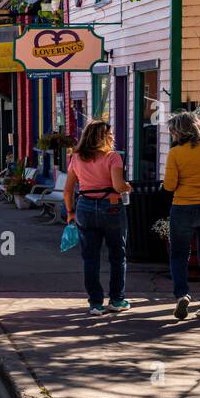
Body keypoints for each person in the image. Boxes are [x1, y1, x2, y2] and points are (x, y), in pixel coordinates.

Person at [63, 119, 133, 316]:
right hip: (110, 207)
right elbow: (119, 186)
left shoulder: (76, 158)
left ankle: (95, 303)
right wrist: (128, 187)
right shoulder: (113, 157)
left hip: (84, 206)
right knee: (117, 255)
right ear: (102, 136)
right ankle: (117, 300)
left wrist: (70, 212)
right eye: (109, 134)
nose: (112, 137)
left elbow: (67, 191)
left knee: (90, 257)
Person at [164, 111, 200, 319]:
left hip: (183, 206)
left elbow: (170, 185)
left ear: (179, 131)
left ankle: (182, 294)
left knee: (179, 254)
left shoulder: (176, 153)